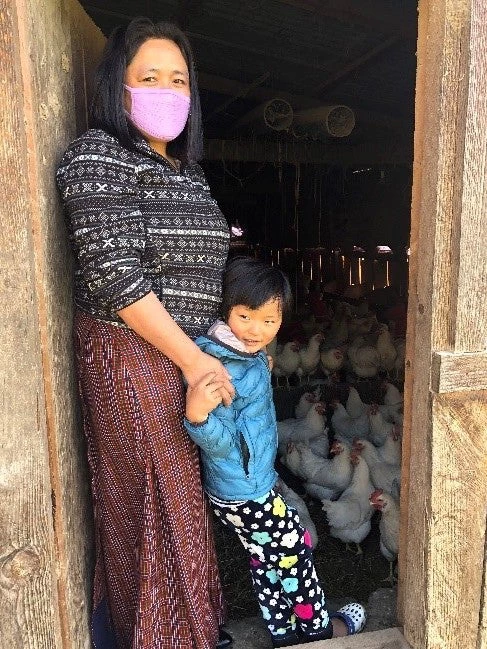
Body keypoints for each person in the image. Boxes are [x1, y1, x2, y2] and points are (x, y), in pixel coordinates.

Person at [56, 16, 234, 649]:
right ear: (119, 87)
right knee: (158, 505)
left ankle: (182, 633)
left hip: (188, 359)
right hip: (130, 358)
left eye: (179, 78)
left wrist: (224, 353)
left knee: (181, 508)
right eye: (149, 77)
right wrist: (194, 361)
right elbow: (115, 272)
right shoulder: (94, 157)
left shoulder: (189, 173)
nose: (167, 89)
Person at [184, 257, 367, 648]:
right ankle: (319, 630)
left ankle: (283, 631)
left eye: (269, 320)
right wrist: (198, 418)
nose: (256, 329)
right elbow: (222, 439)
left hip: (243, 485)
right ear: (226, 309)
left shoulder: (241, 356)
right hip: (245, 489)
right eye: (246, 316)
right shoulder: (221, 367)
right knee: (295, 554)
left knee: (266, 561)